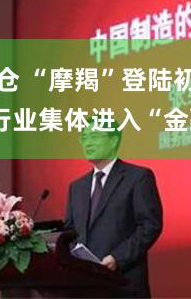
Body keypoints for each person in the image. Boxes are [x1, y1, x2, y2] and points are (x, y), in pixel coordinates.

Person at [64, 120, 163, 298]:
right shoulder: (77, 187)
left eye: (94, 136)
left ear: (113, 140)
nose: (88, 143)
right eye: (84, 137)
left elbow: (149, 225)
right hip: (85, 287)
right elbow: (70, 231)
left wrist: (117, 258)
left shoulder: (138, 177)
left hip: (123, 283)